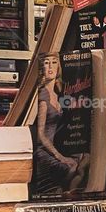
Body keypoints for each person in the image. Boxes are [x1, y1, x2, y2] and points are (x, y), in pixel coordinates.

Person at [31, 53, 83, 197]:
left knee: (80, 164)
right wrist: (59, 156)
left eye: (54, 62)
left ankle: (64, 192)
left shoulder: (56, 93)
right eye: (46, 63)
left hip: (53, 148)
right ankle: (61, 192)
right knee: (71, 167)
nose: (50, 67)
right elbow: (41, 135)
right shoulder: (43, 96)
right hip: (43, 151)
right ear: (41, 68)